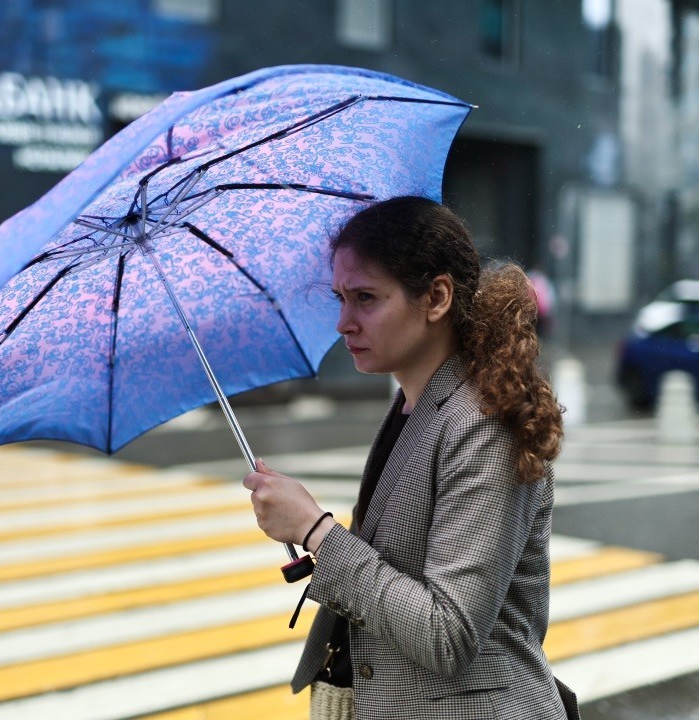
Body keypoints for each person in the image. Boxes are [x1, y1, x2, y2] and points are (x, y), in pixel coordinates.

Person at [243, 196, 580, 720]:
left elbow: (448, 634)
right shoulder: (412, 404)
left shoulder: (483, 422)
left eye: (366, 298)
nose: (343, 323)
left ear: (437, 297)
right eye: (339, 298)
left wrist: (316, 531)